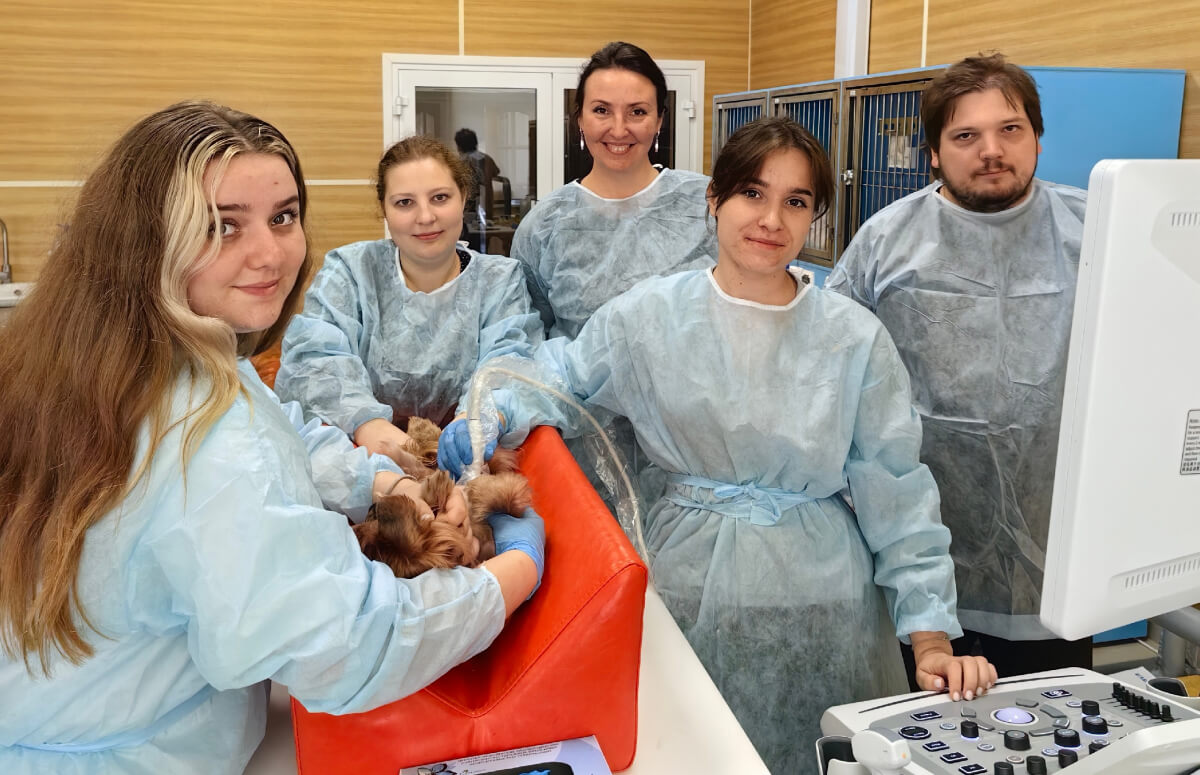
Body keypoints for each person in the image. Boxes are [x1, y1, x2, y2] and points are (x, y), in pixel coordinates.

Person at [0, 102, 544, 775]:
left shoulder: (118, 359)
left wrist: (381, 480)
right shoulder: (205, 439)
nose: (269, 254)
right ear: (144, 240)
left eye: (283, 217)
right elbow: (348, 640)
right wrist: (511, 573)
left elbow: (279, 431)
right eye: (221, 225)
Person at [441, 116, 995, 774]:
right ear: (715, 199)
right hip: (686, 592)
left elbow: (897, 490)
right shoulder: (649, 315)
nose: (771, 219)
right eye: (752, 194)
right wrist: (492, 410)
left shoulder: (853, 337)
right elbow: (559, 377)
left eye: (796, 202)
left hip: (825, 605)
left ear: (814, 216)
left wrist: (930, 639)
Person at [826, 53, 1092, 681]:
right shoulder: (886, 242)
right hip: (916, 559)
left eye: (1010, 129)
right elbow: (828, 373)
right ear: (934, 153)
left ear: (1037, 138)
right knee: (924, 722)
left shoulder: (1096, 232)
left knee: (1054, 723)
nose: (991, 151)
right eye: (966, 135)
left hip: (1058, 564)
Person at [274, 135, 543, 460]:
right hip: (360, 457)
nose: (425, 217)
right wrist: (371, 429)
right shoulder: (351, 272)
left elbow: (510, 367)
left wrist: (474, 423)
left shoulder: (500, 281)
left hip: (474, 458)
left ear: (464, 197)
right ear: (384, 210)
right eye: (404, 203)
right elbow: (315, 366)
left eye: (440, 197)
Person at [512, 41, 716, 341]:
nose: (619, 130)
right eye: (601, 110)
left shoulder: (708, 205)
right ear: (580, 119)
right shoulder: (543, 226)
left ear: (659, 120)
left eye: (637, 111)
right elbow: (528, 337)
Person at [454, 127, 502, 248]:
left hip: (468, 210)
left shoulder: (461, 162)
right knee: (483, 244)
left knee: (468, 245)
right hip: (487, 207)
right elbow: (496, 172)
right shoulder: (486, 158)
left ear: (459, 146)